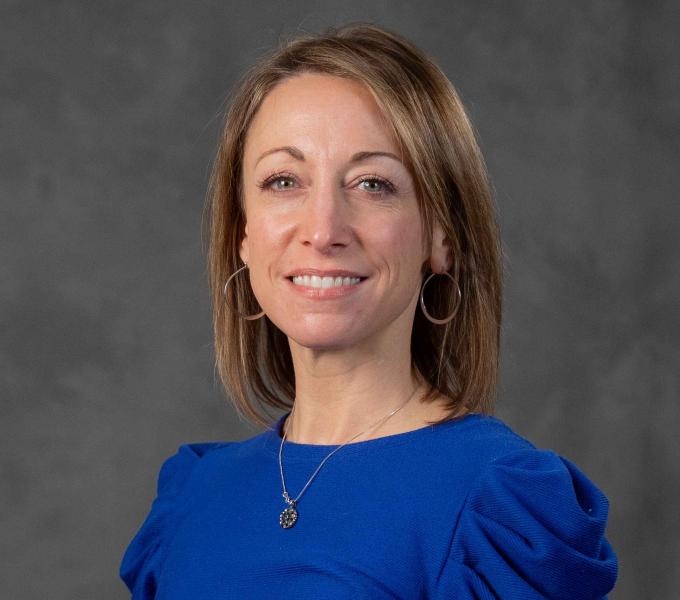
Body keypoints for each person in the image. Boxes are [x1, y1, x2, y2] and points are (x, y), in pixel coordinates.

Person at [119, 22, 618, 599]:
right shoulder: (193, 498)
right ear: (243, 234)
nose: (324, 229)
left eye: (372, 184)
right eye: (284, 181)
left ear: (441, 235)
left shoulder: (498, 510)